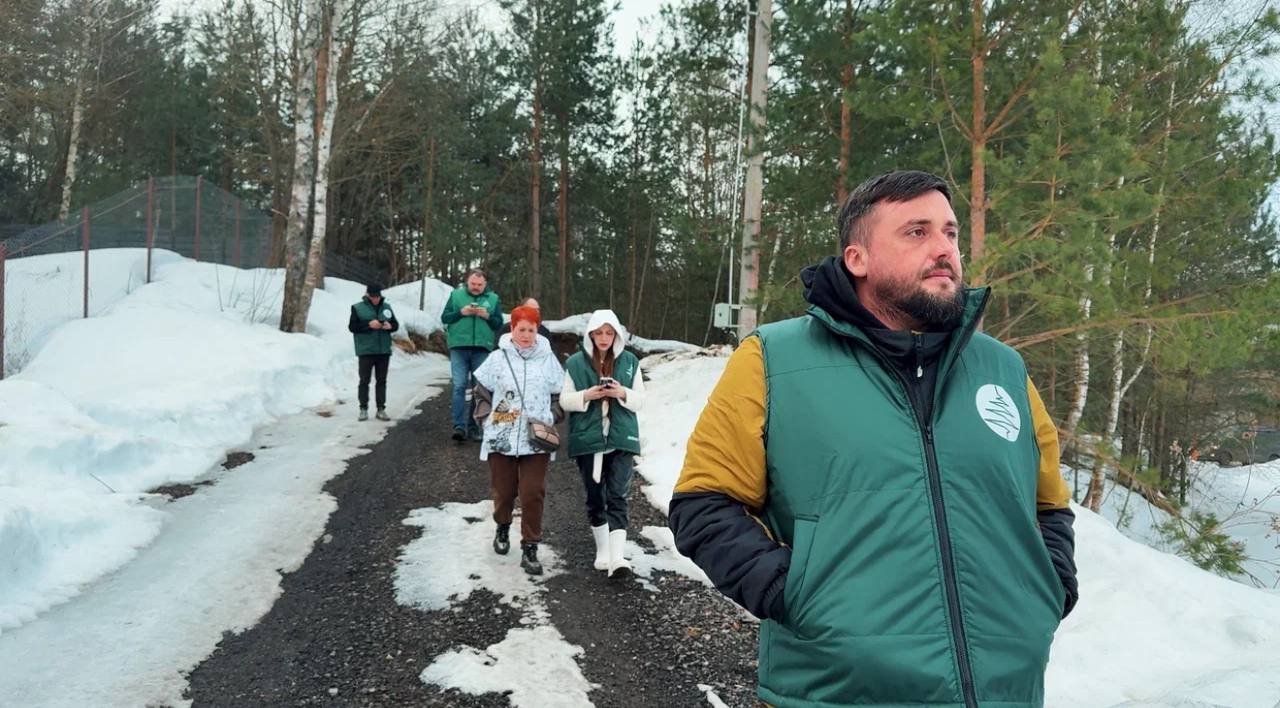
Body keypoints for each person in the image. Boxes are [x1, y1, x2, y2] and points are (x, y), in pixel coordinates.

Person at [669, 170, 1078, 707]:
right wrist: (802, 596)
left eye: (950, 233)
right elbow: (703, 504)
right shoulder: (773, 359)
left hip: (1005, 691)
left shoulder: (1002, 369)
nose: (943, 249)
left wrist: (1045, 593)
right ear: (856, 258)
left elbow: (1046, 504)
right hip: (835, 692)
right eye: (916, 232)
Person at [472, 305, 565, 576]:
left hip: (536, 439)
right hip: (501, 436)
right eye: (521, 329)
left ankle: (530, 546)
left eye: (531, 330)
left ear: (538, 331)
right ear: (512, 329)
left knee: (532, 492)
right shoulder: (497, 358)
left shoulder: (548, 360)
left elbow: (561, 395)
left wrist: (552, 415)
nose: (526, 335)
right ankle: (502, 525)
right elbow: (480, 391)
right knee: (504, 492)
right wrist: (485, 417)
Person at [559, 310, 645, 578]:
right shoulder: (575, 363)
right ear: (591, 335)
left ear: (616, 335)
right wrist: (588, 394)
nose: (604, 338)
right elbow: (564, 400)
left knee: (617, 494)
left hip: (621, 438)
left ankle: (618, 558)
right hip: (589, 439)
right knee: (596, 496)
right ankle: (603, 551)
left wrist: (621, 392)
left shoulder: (630, 362)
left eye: (610, 333)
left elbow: (641, 400)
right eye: (599, 333)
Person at [441, 268, 504, 441]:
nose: (476, 287)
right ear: (467, 282)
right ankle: (458, 426)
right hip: (459, 347)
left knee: (479, 389)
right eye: (473, 284)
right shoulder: (456, 295)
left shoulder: (493, 299)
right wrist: (461, 312)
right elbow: (445, 318)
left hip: (482, 348)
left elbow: (498, 323)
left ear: (485, 284)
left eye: (479, 285)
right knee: (459, 385)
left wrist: (488, 316)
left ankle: (474, 426)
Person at [347, 283, 399, 422]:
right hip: (366, 350)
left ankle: (381, 409)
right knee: (364, 380)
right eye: (373, 296)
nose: (376, 299)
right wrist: (368, 325)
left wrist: (389, 326)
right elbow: (352, 327)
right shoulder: (357, 308)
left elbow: (395, 325)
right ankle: (363, 408)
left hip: (383, 350)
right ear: (368, 294)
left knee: (381, 381)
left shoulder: (387, 307)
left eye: (378, 296)